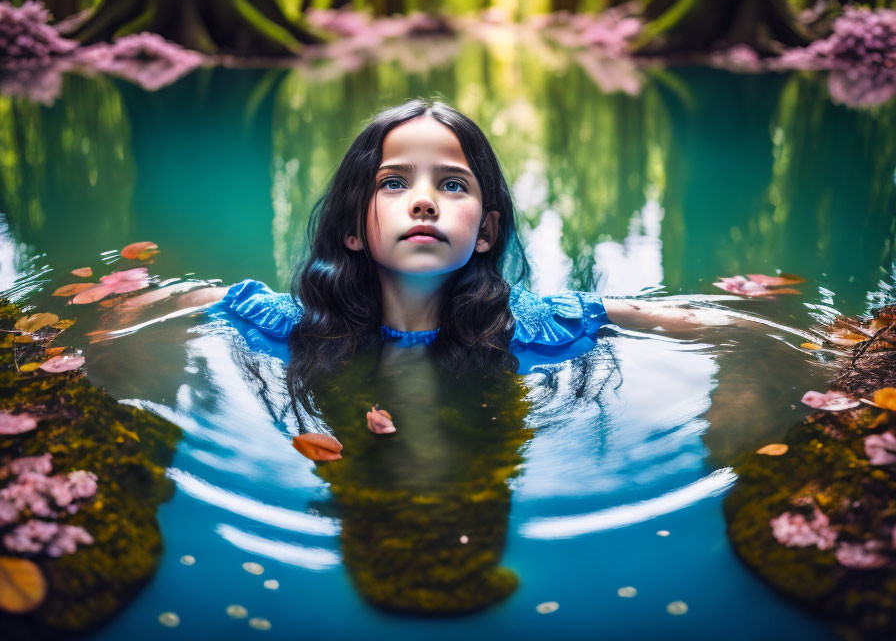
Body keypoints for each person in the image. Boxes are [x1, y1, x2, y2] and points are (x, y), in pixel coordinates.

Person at [105, 99, 732, 455]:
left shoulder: (530, 327)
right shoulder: (294, 325)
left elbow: (686, 321)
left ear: (485, 232)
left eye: (452, 185)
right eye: (394, 183)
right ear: (354, 227)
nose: (424, 201)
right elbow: (188, 302)